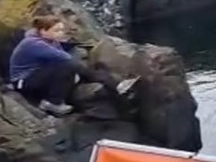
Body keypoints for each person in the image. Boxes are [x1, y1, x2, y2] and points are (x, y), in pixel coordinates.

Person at [8, 16, 137, 115]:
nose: (61, 33)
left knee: (76, 66)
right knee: (69, 64)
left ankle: (115, 86)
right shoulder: (34, 44)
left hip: (40, 75)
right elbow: (65, 59)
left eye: (61, 30)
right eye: (56, 30)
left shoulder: (50, 41)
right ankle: (52, 102)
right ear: (43, 31)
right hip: (24, 82)